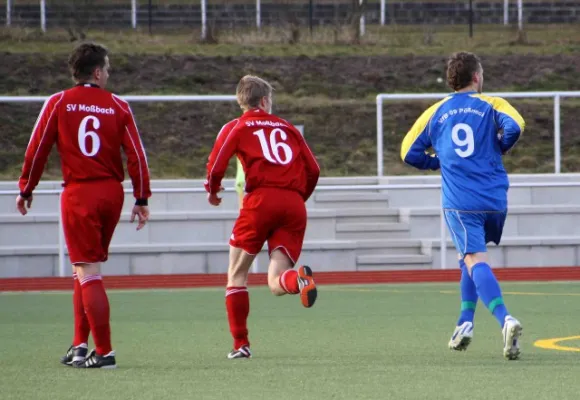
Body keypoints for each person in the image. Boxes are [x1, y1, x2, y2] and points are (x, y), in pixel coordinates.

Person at [16, 42, 151, 369]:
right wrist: (141, 197)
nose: (108, 74)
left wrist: (26, 188)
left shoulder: (59, 102)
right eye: (107, 69)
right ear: (97, 71)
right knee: (84, 269)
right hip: (111, 194)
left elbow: (37, 150)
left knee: (87, 271)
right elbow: (136, 154)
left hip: (79, 193)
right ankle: (80, 346)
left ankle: (104, 353)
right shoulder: (118, 105)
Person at [400, 51, 525, 360]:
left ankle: (505, 319)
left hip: (461, 201)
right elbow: (516, 126)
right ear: (477, 78)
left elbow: (408, 152)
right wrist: (500, 146)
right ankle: (464, 323)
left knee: (474, 258)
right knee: (466, 258)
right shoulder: (492, 104)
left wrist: (436, 161)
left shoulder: (437, 111)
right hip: (495, 198)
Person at [204, 75, 320, 359]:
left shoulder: (237, 126)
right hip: (293, 204)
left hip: (259, 202)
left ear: (241, 101)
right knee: (276, 281)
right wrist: (296, 198)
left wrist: (213, 189)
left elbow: (217, 162)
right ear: (265, 101)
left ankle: (240, 345)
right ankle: (297, 281)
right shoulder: (288, 127)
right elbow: (314, 169)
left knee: (236, 275)